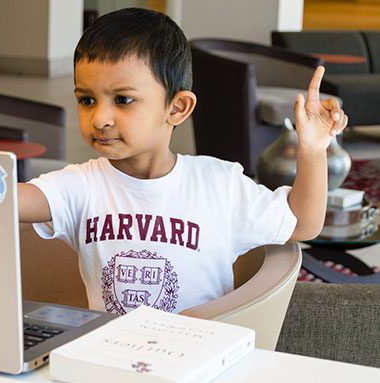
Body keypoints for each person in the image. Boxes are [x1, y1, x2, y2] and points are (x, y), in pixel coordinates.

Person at [18, 8, 348, 315]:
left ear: (176, 108)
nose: (100, 118)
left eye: (123, 100)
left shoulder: (219, 184)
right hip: (110, 361)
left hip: (200, 360)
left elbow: (303, 223)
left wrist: (313, 149)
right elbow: (11, 200)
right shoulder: (80, 185)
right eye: (87, 100)